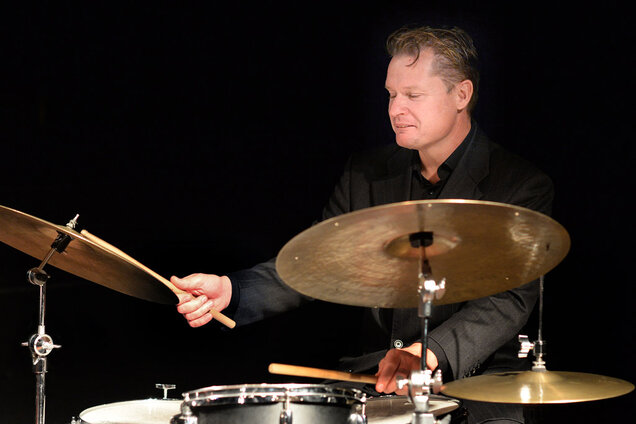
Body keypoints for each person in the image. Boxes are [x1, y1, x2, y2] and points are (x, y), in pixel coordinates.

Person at [171, 26, 553, 424]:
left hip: (476, 384)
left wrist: (430, 352)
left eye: (413, 95)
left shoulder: (519, 185)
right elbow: (316, 264)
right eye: (391, 94)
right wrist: (232, 290)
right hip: (377, 381)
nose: (395, 109)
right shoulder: (365, 175)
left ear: (462, 94)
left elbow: (508, 300)